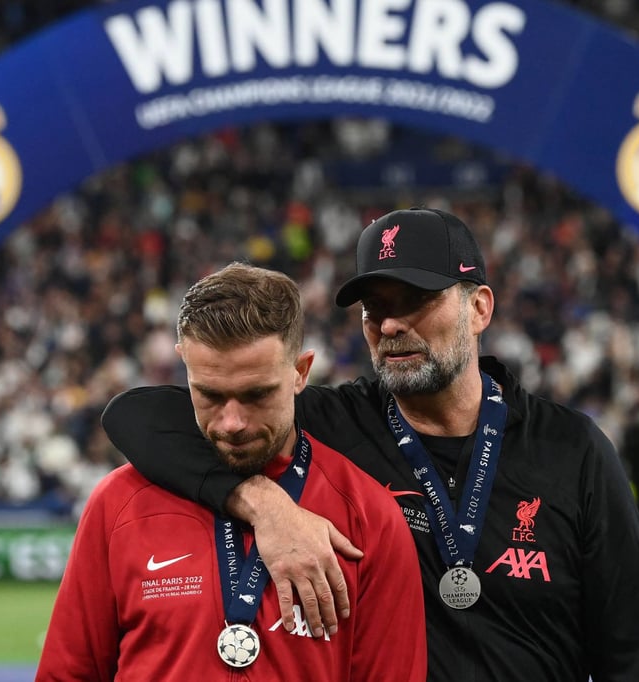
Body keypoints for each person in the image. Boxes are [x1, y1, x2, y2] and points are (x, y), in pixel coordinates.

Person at [104, 207, 639, 680]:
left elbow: (634, 658)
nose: (391, 325)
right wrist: (264, 503)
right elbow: (138, 416)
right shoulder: (327, 424)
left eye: (415, 301)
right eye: (376, 308)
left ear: (479, 309)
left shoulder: (571, 450)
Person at [37, 263, 426, 680]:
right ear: (183, 366)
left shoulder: (370, 517)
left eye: (256, 395)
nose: (232, 423)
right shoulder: (118, 504)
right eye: (209, 395)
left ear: (300, 372)